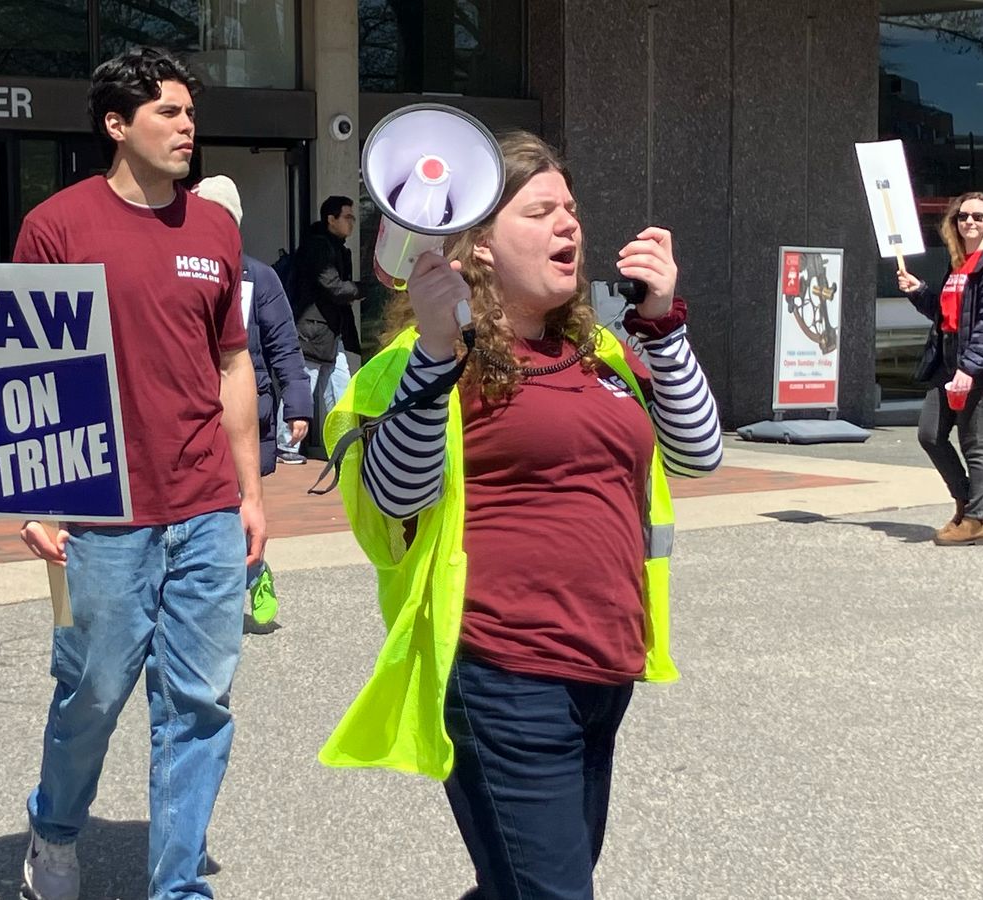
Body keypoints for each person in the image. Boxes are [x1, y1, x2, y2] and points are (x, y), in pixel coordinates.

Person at [317, 131, 723, 899]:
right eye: (540, 212)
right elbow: (396, 493)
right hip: (503, 673)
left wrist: (663, 323)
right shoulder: (428, 357)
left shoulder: (601, 353)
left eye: (571, 210)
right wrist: (435, 354)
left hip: (604, 670)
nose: (568, 224)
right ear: (479, 244)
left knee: (528, 882)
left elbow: (700, 452)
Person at [12, 48, 264, 900]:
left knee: (198, 704)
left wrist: (250, 494)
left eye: (191, 113)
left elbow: (232, 363)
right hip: (102, 514)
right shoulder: (56, 228)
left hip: (205, 507)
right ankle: (54, 829)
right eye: (168, 112)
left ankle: (178, 885)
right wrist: (34, 500)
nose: (188, 127)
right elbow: (21, 369)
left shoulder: (215, 229)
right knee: (92, 693)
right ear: (117, 125)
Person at [192, 175, 312, 635]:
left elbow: (284, 343)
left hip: (247, 413)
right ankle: (211, 593)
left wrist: (297, 403)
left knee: (239, 506)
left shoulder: (258, 277)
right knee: (205, 510)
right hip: (193, 414)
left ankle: (255, 570)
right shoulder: (179, 270)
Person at [898, 192, 983, 547]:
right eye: (963, 216)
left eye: (978, 217)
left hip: (981, 372)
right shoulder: (959, 265)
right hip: (949, 367)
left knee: (973, 443)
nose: (969, 222)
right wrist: (919, 291)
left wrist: (969, 369)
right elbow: (947, 316)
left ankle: (976, 520)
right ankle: (966, 503)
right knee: (930, 435)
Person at [277, 195, 361, 465]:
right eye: (347, 217)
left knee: (341, 390)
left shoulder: (338, 248)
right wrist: (361, 289)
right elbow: (333, 287)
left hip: (331, 333)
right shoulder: (318, 247)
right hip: (312, 331)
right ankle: (286, 445)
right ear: (331, 219)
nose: (352, 222)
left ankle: (343, 447)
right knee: (303, 386)